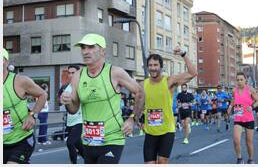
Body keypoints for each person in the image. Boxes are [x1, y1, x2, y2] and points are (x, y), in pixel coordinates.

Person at [60, 34, 144, 164]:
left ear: (103, 51)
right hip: (88, 140)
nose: (85, 51)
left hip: (112, 139)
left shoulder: (115, 72)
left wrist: (133, 119)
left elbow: (140, 92)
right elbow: (73, 109)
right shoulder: (77, 76)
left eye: (91, 47)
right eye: (83, 47)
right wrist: (67, 101)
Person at [143, 47, 197, 164]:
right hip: (150, 131)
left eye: (155, 65)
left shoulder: (169, 81)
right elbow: (139, 103)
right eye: (150, 65)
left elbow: (193, 73)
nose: (153, 68)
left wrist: (183, 54)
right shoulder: (143, 84)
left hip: (167, 131)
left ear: (161, 67)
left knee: (162, 161)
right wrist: (136, 118)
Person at [3, 48, 48, 164]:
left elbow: (43, 94)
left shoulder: (20, 81)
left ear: (5, 62)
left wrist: (32, 115)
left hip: (21, 139)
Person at [227, 72, 258, 164]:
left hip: (249, 119)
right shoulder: (234, 90)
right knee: (236, 140)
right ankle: (239, 159)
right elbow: (234, 100)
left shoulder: (250, 90)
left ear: (245, 80)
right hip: (238, 118)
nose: (239, 81)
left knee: (248, 142)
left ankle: (250, 159)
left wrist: (252, 107)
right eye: (237, 80)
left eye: (241, 79)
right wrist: (230, 107)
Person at [59, 65, 84, 164]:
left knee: (70, 143)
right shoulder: (66, 88)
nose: (70, 75)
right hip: (70, 122)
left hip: (80, 121)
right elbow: (61, 103)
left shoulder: (83, 86)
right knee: (79, 147)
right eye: (69, 73)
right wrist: (62, 100)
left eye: (73, 73)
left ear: (78, 74)